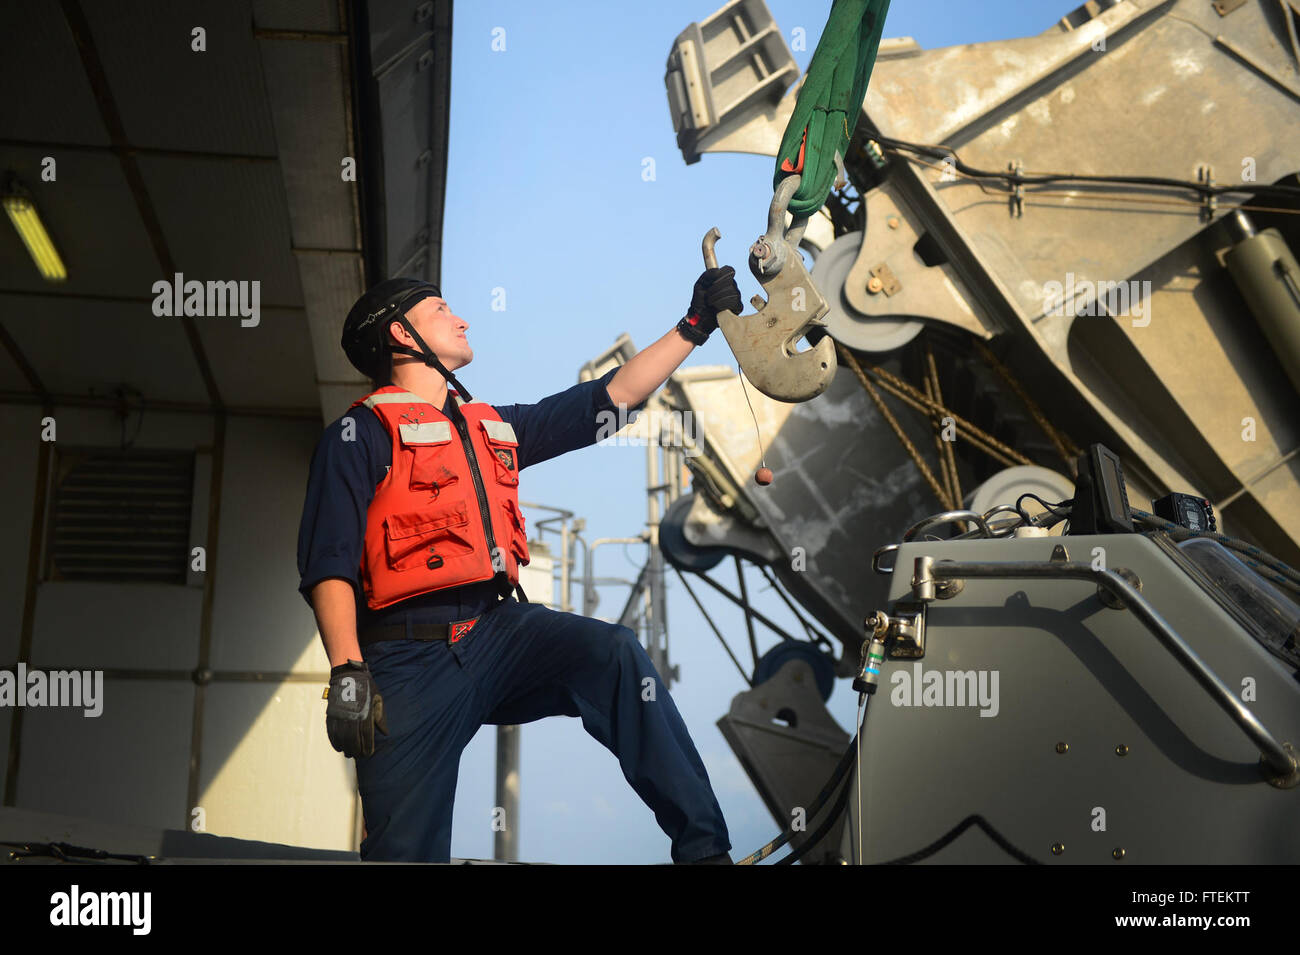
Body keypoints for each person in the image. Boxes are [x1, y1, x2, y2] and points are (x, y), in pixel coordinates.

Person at [296, 267, 743, 864]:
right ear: (402, 336)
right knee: (403, 853)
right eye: (441, 311)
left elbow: (607, 400)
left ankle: (706, 853)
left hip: (498, 633)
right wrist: (348, 672)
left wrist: (694, 327)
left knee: (613, 655)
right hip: (405, 662)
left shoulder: (490, 427)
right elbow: (329, 562)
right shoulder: (357, 435)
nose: (462, 319)